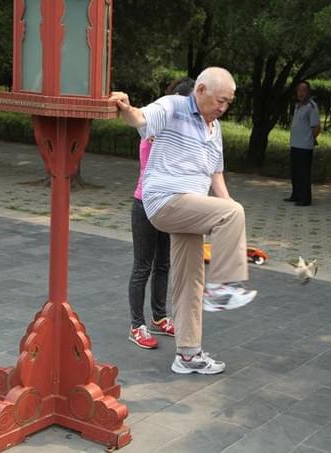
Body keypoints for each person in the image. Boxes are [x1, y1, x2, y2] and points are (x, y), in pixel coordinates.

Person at [111, 67, 257, 375]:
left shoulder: (213, 129)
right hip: (164, 200)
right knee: (234, 213)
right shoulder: (172, 106)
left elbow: (215, 174)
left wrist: (226, 210)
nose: (223, 108)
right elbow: (141, 119)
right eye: (220, 100)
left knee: (191, 278)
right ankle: (223, 287)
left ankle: (188, 354)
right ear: (200, 90)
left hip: (191, 206)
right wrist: (125, 107)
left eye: (229, 103)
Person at [126, 78, 195, 350]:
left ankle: (159, 316)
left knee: (163, 264)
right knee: (142, 266)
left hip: (168, 206)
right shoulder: (155, 124)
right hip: (144, 203)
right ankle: (136, 325)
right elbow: (140, 123)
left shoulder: (185, 130)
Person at [284, 80, 321, 206]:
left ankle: (305, 198)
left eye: (304, 90)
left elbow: (316, 127)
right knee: (295, 172)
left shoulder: (311, 106)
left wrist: (310, 139)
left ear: (308, 92)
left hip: (305, 146)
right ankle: (296, 194)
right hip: (295, 144)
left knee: (304, 173)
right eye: (299, 90)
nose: (301, 93)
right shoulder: (297, 106)